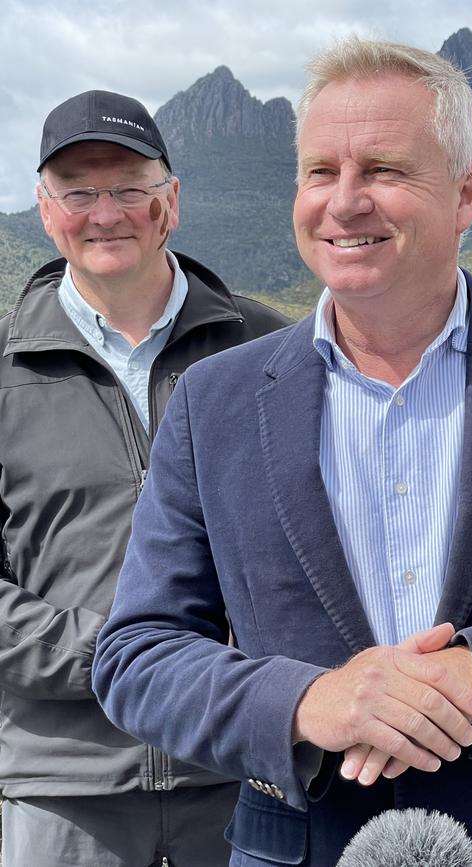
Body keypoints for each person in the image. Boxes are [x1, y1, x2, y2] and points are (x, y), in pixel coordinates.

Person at [92, 40, 472, 867]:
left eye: (383, 169)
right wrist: (311, 699)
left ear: (466, 194)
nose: (345, 202)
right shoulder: (212, 405)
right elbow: (138, 655)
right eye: (320, 172)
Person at [0, 89, 290, 867]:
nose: (106, 212)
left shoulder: (274, 351)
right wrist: (129, 656)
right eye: (79, 191)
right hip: (64, 788)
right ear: (44, 207)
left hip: (241, 767)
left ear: (171, 202)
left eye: (129, 186)